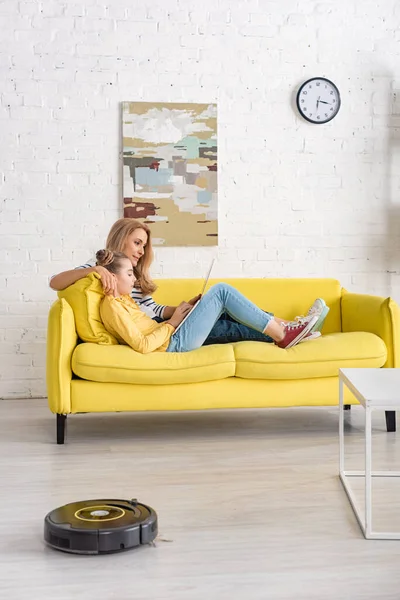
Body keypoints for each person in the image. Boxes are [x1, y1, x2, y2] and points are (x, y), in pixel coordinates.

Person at [50, 218, 328, 345]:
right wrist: (96, 270)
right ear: (120, 238)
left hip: (160, 324)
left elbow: (153, 310)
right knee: (225, 310)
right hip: (159, 333)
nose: (140, 251)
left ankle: (292, 329)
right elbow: (55, 282)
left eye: (143, 246)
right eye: (137, 243)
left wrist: (183, 308)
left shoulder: (134, 276)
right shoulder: (102, 268)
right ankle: (289, 329)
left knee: (224, 314)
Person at [95, 249, 327, 354]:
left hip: (174, 333)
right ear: (112, 278)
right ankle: (284, 333)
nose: (134, 278)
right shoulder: (112, 307)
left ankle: (289, 329)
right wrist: (173, 323)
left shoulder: (123, 300)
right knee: (222, 292)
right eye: (129, 274)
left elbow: (149, 320)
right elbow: (143, 345)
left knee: (221, 301)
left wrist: (186, 313)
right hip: (174, 342)